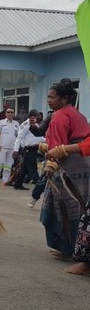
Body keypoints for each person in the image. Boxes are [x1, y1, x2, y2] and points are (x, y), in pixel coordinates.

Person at [39, 78, 90, 273]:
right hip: (82, 163)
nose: (49, 100)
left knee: (66, 206)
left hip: (68, 163)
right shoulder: (77, 114)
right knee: (78, 205)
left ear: (64, 98)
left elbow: (58, 146)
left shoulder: (60, 115)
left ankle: (70, 249)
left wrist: (52, 162)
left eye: (52, 97)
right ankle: (69, 248)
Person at [12, 109, 45, 190]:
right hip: (29, 149)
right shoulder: (26, 124)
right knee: (33, 169)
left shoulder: (35, 124)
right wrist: (15, 150)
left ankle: (18, 184)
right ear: (32, 116)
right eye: (37, 115)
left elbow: (39, 136)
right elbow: (19, 137)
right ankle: (39, 186)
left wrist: (46, 141)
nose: (39, 117)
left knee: (24, 169)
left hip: (34, 148)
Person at [0, 107, 20, 185]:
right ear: (5, 113)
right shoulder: (1, 123)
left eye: (12, 112)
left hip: (12, 148)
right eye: (8, 112)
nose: (10, 114)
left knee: (8, 165)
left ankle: (5, 181)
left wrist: (17, 148)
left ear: (14, 114)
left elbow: (18, 136)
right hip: (2, 147)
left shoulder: (16, 124)